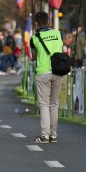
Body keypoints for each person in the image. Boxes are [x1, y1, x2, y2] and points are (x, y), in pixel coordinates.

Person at [30, 11, 62, 144]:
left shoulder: (35, 37)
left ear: (36, 23)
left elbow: (33, 56)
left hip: (43, 72)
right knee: (54, 104)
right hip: (58, 70)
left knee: (44, 104)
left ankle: (44, 135)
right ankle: (53, 135)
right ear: (48, 21)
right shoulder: (57, 33)